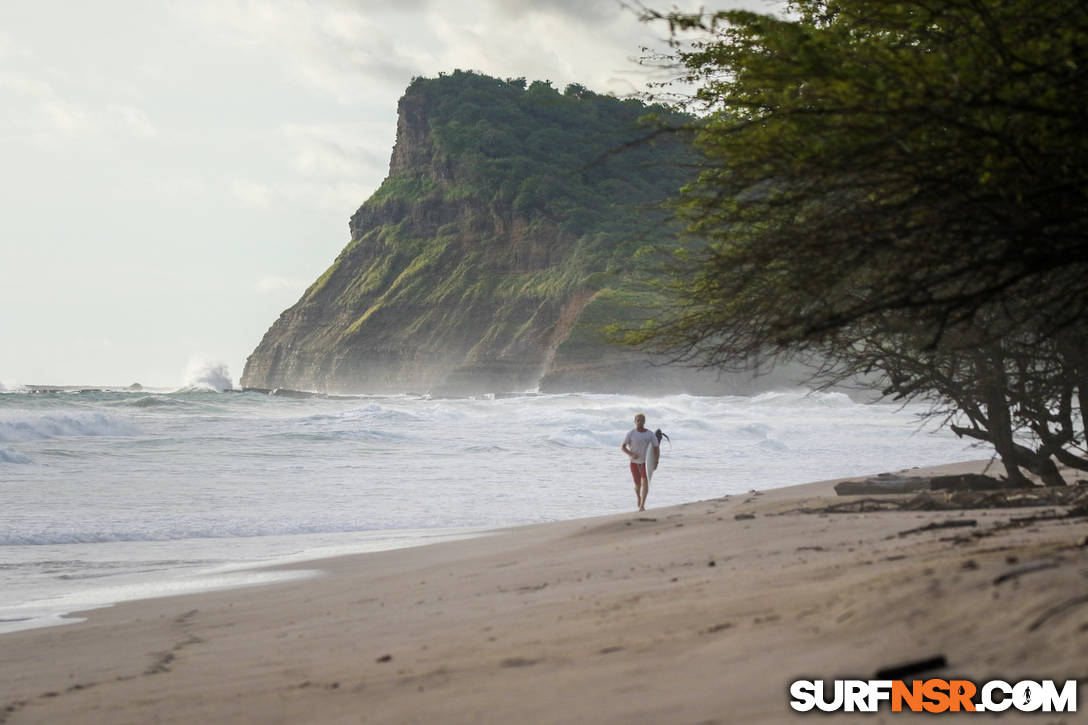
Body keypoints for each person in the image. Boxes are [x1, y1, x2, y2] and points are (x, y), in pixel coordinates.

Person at [621, 413, 660, 511]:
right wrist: (631, 454)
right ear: (635, 422)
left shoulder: (650, 434)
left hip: (645, 463)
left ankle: (642, 505)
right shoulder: (631, 433)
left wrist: (656, 461)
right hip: (634, 462)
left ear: (644, 422)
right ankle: (638, 497)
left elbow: (656, 448)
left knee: (645, 482)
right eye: (638, 420)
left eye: (642, 420)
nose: (640, 422)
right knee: (637, 485)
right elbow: (623, 447)